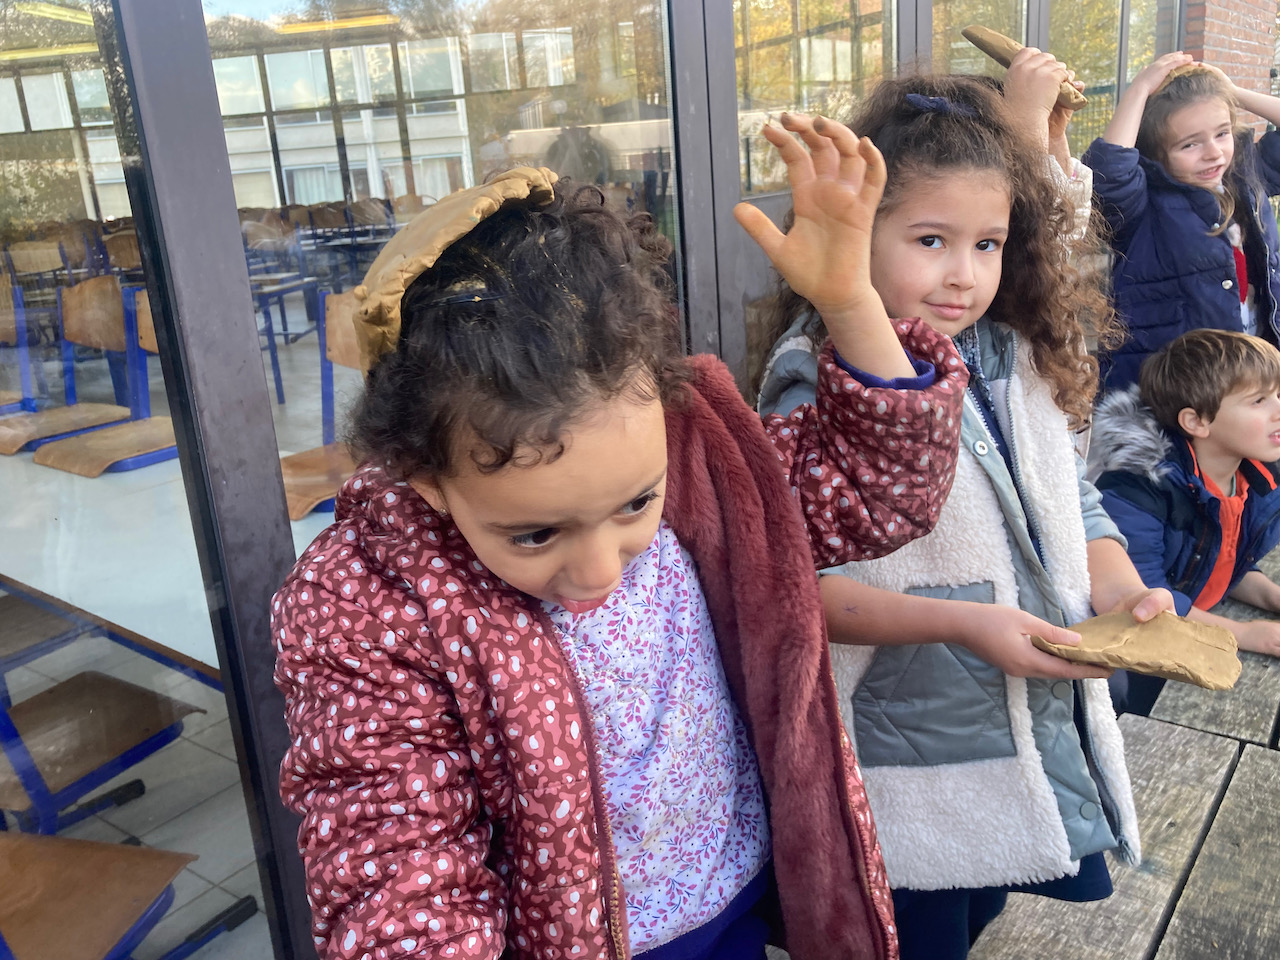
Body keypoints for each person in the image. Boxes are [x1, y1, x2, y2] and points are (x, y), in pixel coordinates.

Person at [271, 132, 971, 959]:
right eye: (536, 533)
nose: (598, 570)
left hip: (736, 898)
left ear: (666, 413)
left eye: (637, 504)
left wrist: (851, 304)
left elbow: (878, 491)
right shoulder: (368, 602)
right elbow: (399, 871)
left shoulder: (709, 461)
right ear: (425, 480)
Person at [757, 61, 1176, 960]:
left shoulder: (1011, 350)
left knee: (981, 907)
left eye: (987, 244)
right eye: (931, 240)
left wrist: (1119, 589)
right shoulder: (815, 379)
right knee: (918, 933)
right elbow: (798, 589)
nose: (963, 275)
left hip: (1022, 718)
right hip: (908, 748)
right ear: (854, 230)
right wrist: (964, 625)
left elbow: (1070, 495)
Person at [1088, 329, 1280, 713]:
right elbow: (1142, 596)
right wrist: (1244, 634)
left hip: (1191, 627)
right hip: (1132, 659)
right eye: (1259, 400)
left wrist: (1272, 597)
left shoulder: (1251, 477)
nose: (1277, 409)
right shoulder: (1137, 490)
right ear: (1196, 421)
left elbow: (1224, 560)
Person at [1082, 53, 1280, 391]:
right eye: (1190, 144)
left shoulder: (1247, 176)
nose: (1213, 153)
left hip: (1252, 380)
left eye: (1222, 133)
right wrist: (1139, 91)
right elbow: (1108, 174)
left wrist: (1231, 91)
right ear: (1157, 153)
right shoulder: (1142, 204)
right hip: (1172, 390)